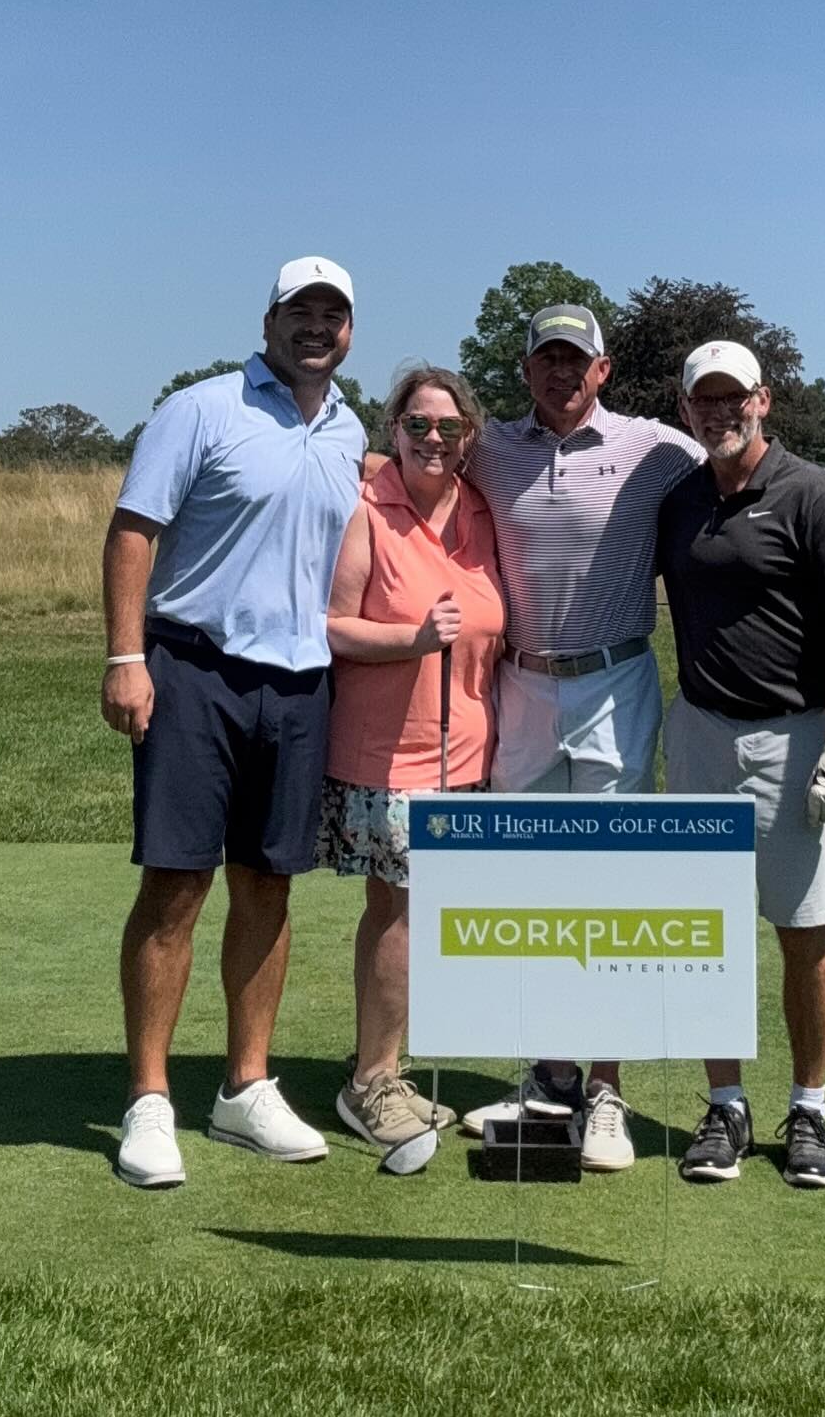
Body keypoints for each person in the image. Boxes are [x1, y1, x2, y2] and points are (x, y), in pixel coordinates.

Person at [457, 304, 825, 1173]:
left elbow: (782, 481)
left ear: (603, 371)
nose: (560, 373)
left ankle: (631, 1093)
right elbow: (421, 456)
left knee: (626, 895)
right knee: (556, 894)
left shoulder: (656, 448)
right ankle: (562, 1079)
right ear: (526, 367)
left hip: (635, 687)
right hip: (548, 689)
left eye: (576, 360)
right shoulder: (496, 448)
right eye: (546, 358)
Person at [100, 257, 365, 1189]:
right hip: (193, 668)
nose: (315, 327)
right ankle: (148, 1100)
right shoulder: (201, 408)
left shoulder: (349, 430)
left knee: (270, 885)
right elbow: (135, 528)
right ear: (269, 320)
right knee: (177, 883)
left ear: (347, 331)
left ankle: (244, 1087)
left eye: (332, 315)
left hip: (299, 685)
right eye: (301, 311)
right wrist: (125, 657)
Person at [656, 341, 825, 1189]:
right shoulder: (677, 499)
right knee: (707, 933)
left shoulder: (816, 497)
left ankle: (810, 1111)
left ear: (764, 400)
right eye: (704, 401)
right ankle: (725, 1106)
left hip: (796, 739)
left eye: (734, 398)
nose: (720, 413)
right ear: (686, 410)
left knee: (804, 930)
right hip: (703, 730)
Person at [319, 366, 505, 1155]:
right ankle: (370, 1082)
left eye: (449, 427)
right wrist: (413, 640)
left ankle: (387, 1071)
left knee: (419, 911)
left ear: (469, 437)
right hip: (388, 755)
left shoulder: (483, 511)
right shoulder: (368, 509)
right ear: (392, 429)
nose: (434, 438)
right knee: (394, 910)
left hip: (467, 753)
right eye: (418, 425)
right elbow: (331, 626)